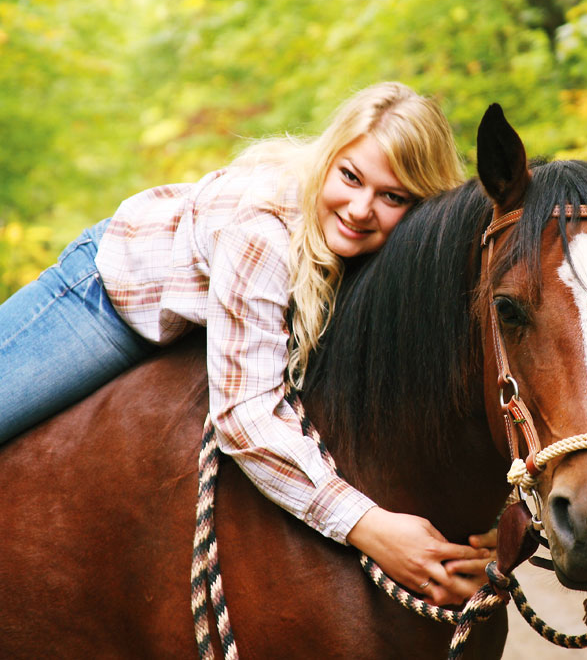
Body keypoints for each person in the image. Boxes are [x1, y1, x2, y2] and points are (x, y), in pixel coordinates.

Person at [0, 82, 495, 607]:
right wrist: (368, 527)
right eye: (350, 177)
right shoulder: (263, 231)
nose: (359, 208)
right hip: (113, 294)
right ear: (328, 160)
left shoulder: (403, 251)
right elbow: (245, 415)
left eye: (392, 196)